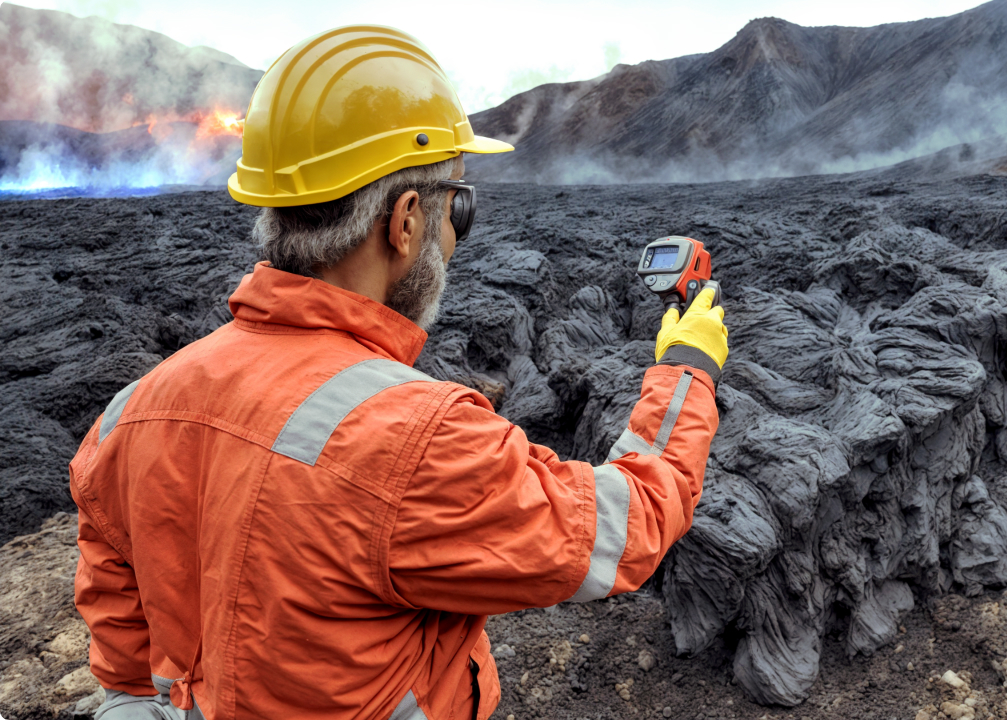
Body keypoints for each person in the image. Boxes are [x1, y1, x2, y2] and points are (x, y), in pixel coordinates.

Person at [70, 25, 728, 720]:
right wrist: (686, 367)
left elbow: (126, 662)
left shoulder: (127, 414)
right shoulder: (418, 439)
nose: (454, 236)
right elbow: (626, 526)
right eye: (457, 209)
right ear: (406, 221)